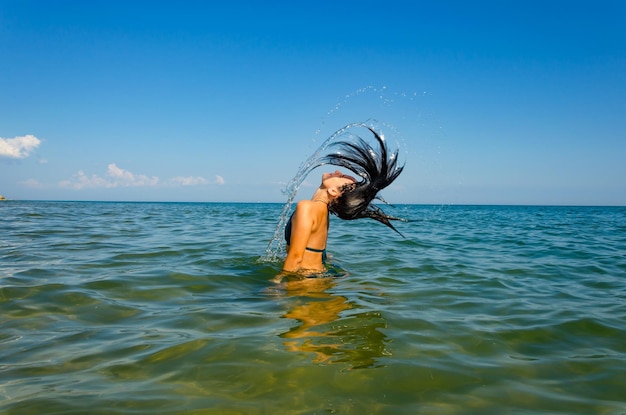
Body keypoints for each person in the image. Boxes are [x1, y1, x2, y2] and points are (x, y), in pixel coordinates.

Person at [280, 126, 405, 276]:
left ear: (333, 192)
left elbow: (296, 257)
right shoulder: (322, 213)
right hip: (318, 278)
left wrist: (277, 284)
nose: (338, 172)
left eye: (343, 177)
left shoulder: (307, 207)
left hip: (307, 282)